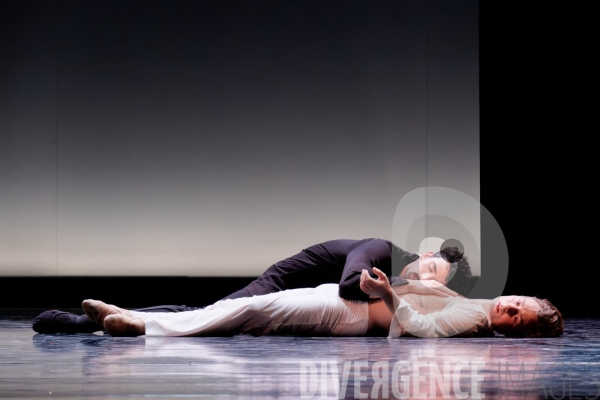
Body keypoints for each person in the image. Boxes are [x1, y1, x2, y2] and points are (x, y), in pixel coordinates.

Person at [32, 238, 472, 334]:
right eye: (432, 272)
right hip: (282, 283)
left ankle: (109, 320)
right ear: (425, 254)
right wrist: (399, 292)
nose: (427, 281)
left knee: (205, 311)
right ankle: (81, 323)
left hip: (301, 297)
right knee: (212, 313)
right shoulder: (379, 251)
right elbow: (347, 289)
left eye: (437, 282)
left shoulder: (393, 274)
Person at [80, 267, 563, 339]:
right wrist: (406, 279)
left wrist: (390, 292)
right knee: (250, 311)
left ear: (515, 329)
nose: (512, 309)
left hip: (348, 313)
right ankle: (136, 318)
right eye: (519, 301)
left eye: (519, 317)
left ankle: (143, 328)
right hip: (345, 303)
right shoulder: (473, 302)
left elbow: (419, 327)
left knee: (252, 311)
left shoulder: (472, 319)